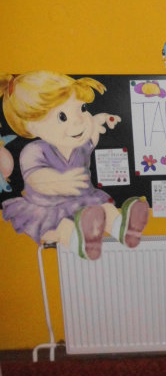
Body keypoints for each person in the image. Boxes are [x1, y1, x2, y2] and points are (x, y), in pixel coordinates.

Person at [0, 71, 149, 259]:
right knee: (62, 227)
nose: (80, 120)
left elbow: (92, 130)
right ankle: (84, 244)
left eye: (83, 108)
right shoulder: (34, 150)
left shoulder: (80, 145)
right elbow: (35, 177)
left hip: (83, 200)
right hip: (49, 207)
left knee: (106, 210)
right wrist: (58, 181)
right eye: (62, 116)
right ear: (31, 125)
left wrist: (102, 119)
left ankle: (126, 231)